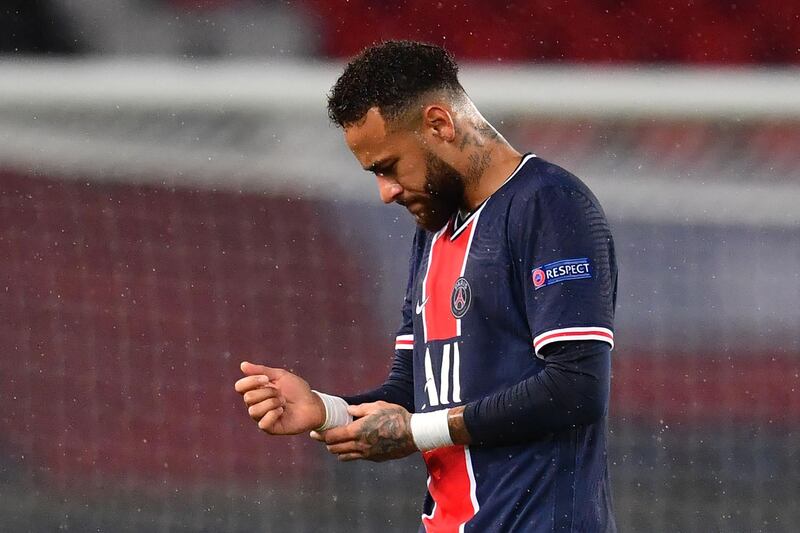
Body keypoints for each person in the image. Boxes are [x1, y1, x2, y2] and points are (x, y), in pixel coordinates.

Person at [234, 40, 618, 532]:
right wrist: (325, 411)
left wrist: (416, 432)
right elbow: (412, 392)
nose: (385, 192)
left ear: (440, 124)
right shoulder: (433, 231)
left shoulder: (550, 205)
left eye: (389, 167)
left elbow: (577, 388)